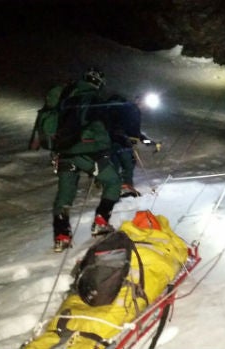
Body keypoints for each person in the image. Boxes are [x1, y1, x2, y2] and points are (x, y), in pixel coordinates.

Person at [50, 68, 122, 252]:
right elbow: (104, 128)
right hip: (89, 152)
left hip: (64, 152)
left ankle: (61, 236)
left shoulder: (64, 100)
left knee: (64, 195)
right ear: (98, 84)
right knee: (113, 181)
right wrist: (107, 148)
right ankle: (101, 221)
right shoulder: (96, 101)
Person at [103, 94, 161, 197]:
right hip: (122, 142)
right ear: (137, 100)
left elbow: (137, 136)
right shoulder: (132, 110)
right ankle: (125, 187)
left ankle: (115, 189)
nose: (145, 107)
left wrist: (151, 142)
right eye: (144, 103)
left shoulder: (127, 109)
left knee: (116, 164)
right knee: (128, 164)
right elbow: (135, 135)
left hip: (111, 140)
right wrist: (148, 142)